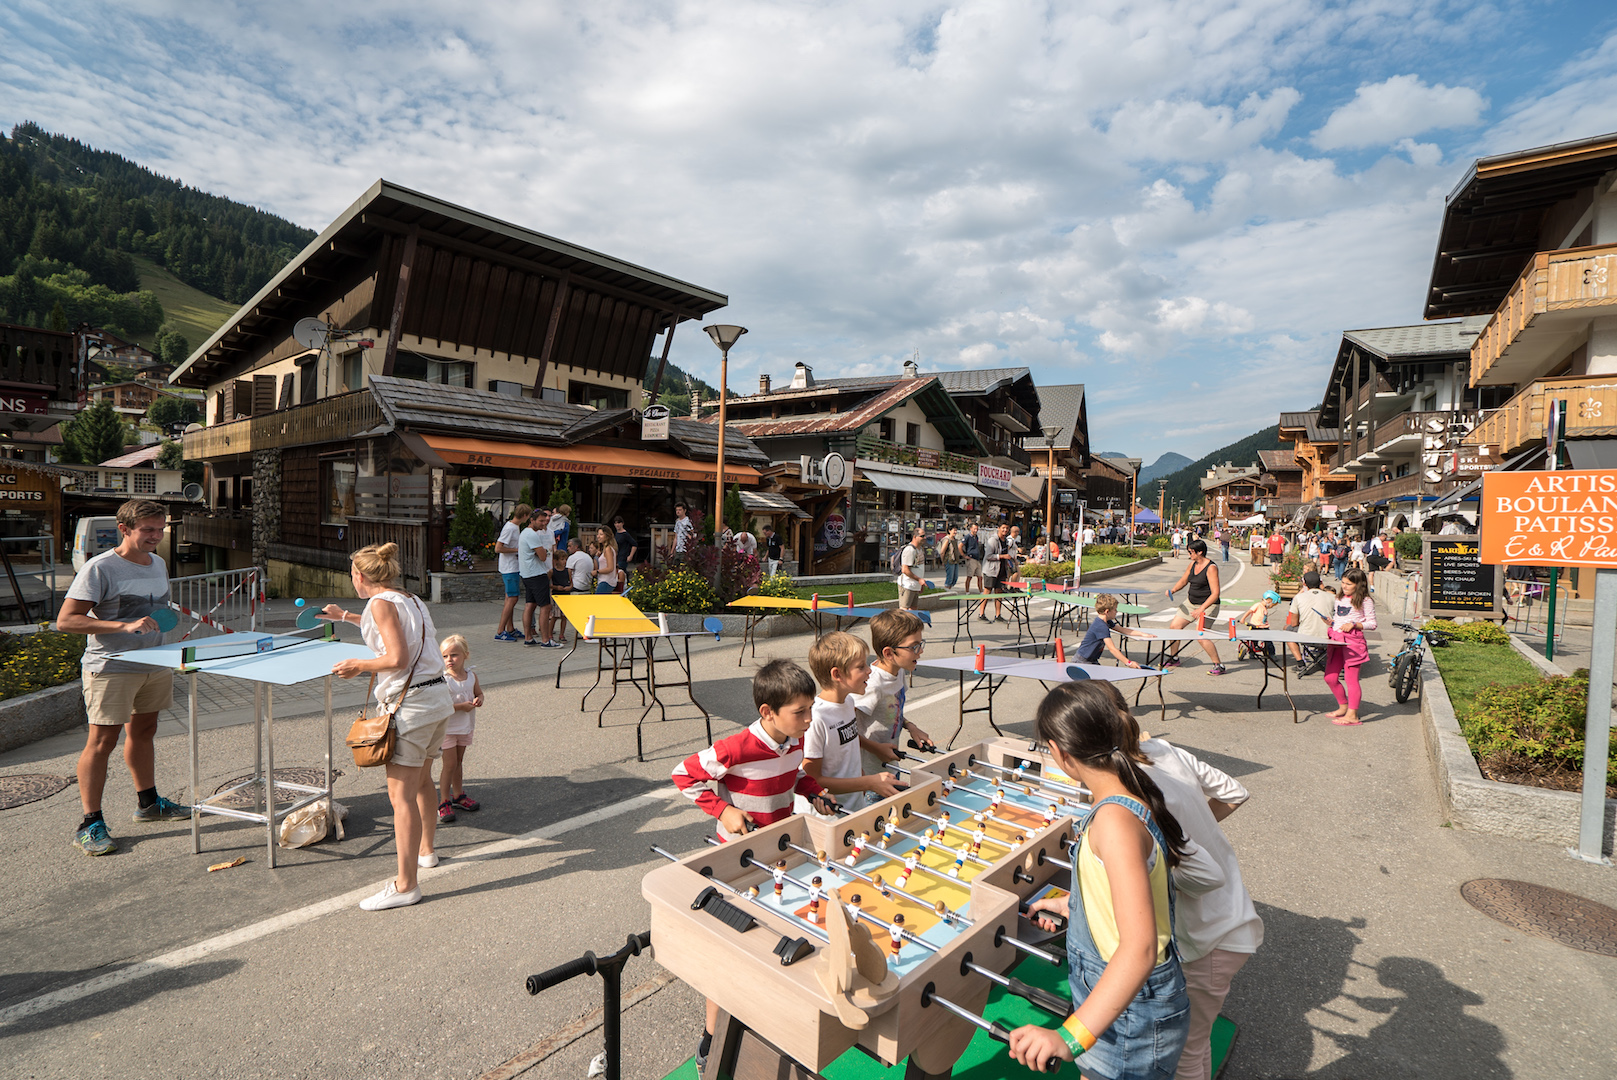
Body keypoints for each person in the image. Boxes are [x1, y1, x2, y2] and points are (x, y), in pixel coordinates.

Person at [1008, 682, 1191, 1075]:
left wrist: (1069, 1036)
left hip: (1131, 1016)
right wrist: (1073, 904)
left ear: (1059, 751)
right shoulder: (1129, 795)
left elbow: (1140, 947)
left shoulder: (1114, 823)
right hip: (1122, 1005)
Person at [671, 659, 838, 1071]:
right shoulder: (735, 747)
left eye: (810, 708)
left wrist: (814, 792)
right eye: (800, 711)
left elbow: (793, 777)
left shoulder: (794, 738)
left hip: (778, 856)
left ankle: (769, 1020)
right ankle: (711, 1038)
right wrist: (723, 809)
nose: (809, 718)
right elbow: (681, 775)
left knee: (775, 940)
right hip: (738, 862)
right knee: (730, 952)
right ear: (768, 712)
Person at [1091, 682, 1263, 1080]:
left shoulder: (1127, 796)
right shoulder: (1162, 749)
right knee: (1195, 1043)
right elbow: (1235, 792)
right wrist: (1193, 830)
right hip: (1228, 921)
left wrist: (1173, 846)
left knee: (1185, 1050)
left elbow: (1197, 877)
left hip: (1209, 937)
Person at [324, 542, 456, 910]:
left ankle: (406, 886)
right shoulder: (410, 598)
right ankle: (427, 852)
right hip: (437, 701)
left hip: (410, 706)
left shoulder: (378, 604)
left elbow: (396, 657)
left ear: (359, 576)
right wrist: (347, 617)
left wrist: (358, 665)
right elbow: (402, 636)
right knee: (421, 783)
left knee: (400, 798)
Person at [58, 499, 192, 857]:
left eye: (160, 528)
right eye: (148, 529)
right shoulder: (100, 568)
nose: (156, 535)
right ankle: (90, 824)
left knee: (145, 732)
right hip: (111, 667)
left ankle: (148, 804)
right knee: (102, 743)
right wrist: (122, 625)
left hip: (154, 663)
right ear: (125, 529)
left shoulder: (159, 562)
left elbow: (154, 609)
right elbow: (67, 620)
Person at [801, 631, 903, 810]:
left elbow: (848, 741)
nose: (869, 670)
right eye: (861, 667)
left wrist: (861, 776)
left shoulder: (848, 701)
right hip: (830, 815)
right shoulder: (816, 718)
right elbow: (813, 780)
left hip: (854, 805)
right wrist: (867, 782)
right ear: (837, 674)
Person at [852, 609, 935, 775]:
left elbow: (892, 709)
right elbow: (845, 729)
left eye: (920, 644)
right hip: (869, 773)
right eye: (914, 647)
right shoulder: (872, 685)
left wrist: (910, 726)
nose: (921, 651)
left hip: (889, 765)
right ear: (889, 653)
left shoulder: (899, 671)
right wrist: (876, 749)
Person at [436, 634, 483, 823]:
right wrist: (461, 707)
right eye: (445, 656)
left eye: (454, 655)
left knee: (459, 761)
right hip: (447, 729)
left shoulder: (471, 676)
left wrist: (479, 699)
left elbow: (478, 692)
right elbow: (439, 707)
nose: (449, 660)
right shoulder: (443, 679)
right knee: (449, 765)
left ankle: (458, 795)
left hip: (465, 726)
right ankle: (444, 801)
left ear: (465, 655)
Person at [1163, 539, 1225, 675]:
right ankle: (1174, 657)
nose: (1189, 554)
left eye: (1191, 552)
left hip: (1208, 605)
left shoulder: (1211, 568)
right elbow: (1184, 580)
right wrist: (1172, 590)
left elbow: (1215, 593)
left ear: (1200, 552)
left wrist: (1201, 609)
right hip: (1191, 602)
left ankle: (1219, 665)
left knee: (1201, 634)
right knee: (1174, 627)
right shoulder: (1192, 564)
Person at [1324, 568, 1376, 726]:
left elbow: (1372, 624)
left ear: (1358, 585)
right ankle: (1343, 707)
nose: (1344, 586)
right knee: (1330, 677)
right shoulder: (1339, 597)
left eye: (1348, 584)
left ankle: (1352, 715)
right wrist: (1332, 623)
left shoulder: (1365, 600)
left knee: (1351, 679)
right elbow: (1340, 617)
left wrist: (1355, 625)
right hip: (1336, 639)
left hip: (1353, 642)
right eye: (1343, 582)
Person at [1078, 594, 1154, 668]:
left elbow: (1122, 630)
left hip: (1091, 660)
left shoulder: (1106, 621)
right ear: (1107, 611)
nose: (1116, 611)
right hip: (1082, 661)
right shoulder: (1101, 626)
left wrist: (1142, 634)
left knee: (1102, 680)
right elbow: (1112, 649)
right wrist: (1129, 663)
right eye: (1115, 609)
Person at [519, 511, 559, 648]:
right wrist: (543, 551)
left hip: (526, 574)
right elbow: (543, 556)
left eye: (545, 520)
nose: (544, 522)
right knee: (545, 606)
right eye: (541, 521)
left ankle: (528, 638)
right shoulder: (532, 534)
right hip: (537, 574)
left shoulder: (524, 532)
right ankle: (546, 640)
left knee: (530, 605)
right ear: (532, 520)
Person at [494, 504, 532, 641]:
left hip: (513, 567)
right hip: (510, 568)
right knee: (512, 598)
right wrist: (517, 550)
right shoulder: (510, 528)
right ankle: (500, 631)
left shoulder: (514, 526)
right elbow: (498, 548)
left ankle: (509, 628)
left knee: (509, 599)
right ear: (525, 516)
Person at [1286, 570, 1334, 672]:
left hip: (1306, 637)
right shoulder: (1332, 597)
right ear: (1320, 582)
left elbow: (1294, 623)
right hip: (1329, 637)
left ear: (1304, 583)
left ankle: (1300, 663)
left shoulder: (1298, 598)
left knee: (1288, 630)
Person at [978, 523, 1010, 622]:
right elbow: (988, 556)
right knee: (987, 591)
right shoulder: (993, 540)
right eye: (1003, 528)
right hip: (991, 570)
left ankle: (998, 615)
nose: (1005, 530)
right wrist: (1001, 556)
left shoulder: (1007, 541)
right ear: (998, 528)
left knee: (999, 592)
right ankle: (981, 613)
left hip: (1001, 569)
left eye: (1007, 528)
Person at [898, 526, 926, 610]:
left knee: (913, 609)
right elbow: (905, 570)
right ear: (915, 537)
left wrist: (920, 583)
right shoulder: (910, 550)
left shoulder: (920, 549)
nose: (924, 538)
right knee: (904, 610)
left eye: (924, 536)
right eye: (922, 536)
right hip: (907, 585)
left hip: (915, 585)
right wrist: (919, 580)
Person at [594, 527, 618, 595]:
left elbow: (610, 568)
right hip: (604, 581)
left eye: (601, 534)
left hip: (606, 581)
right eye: (598, 534)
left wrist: (597, 571)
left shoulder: (608, 549)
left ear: (607, 536)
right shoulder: (606, 549)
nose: (598, 536)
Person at [962, 522, 984, 594]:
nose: (976, 530)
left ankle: (981, 590)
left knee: (980, 576)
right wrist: (964, 555)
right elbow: (960, 545)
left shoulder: (976, 537)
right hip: (971, 558)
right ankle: (967, 591)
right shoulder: (967, 537)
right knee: (969, 576)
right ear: (971, 528)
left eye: (977, 529)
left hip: (977, 558)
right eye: (974, 529)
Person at [940, 525, 963, 590]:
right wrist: (943, 561)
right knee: (949, 578)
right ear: (949, 531)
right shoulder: (947, 539)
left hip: (955, 560)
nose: (955, 532)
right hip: (949, 561)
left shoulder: (955, 539)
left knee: (954, 578)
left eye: (956, 530)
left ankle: (949, 590)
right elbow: (942, 552)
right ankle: (946, 591)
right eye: (954, 530)